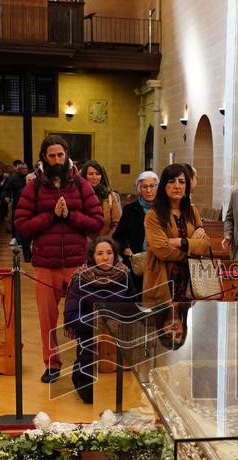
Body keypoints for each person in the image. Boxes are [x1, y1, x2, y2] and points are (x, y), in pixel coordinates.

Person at [14, 135, 104, 383]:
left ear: (66, 155)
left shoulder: (81, 185)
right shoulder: (33, 188)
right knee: (47, 319)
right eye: (52, 156)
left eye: (60, 155)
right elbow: (22, 226)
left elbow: (97, 222)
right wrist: (52, 216)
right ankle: (52, 364)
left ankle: (84, 361)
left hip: (77, 263)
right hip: (46, 264)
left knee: (83, 314)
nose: (57, 160)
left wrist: (70, 215)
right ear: (44, 157)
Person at [62, 236, 135, 404]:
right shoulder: (81, 278)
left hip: (118, 341)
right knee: (90, 396)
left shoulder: (124, 275)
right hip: (90, 340)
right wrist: (99, 323)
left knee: (123, 395)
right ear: (92, 256)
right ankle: (80, 370)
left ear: (115, 255)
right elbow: (71, 315)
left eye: (109, 253)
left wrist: (121, 320)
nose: (105, 257)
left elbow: (133, 307)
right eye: (100, 253)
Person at [142, 163, 211, 305]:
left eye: (182, 182)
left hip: (190, 279)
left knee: (188, 317)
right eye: (172, 181)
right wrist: (191, 247)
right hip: (164, 278)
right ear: (164, 185)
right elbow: (162, 250)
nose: (177, 186)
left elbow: (205, 244)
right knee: (163, 318)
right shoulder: (153, 215)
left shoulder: (192, 211)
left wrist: (181, 242)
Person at [113, 170, 158, 289]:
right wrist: (124, 248)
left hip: (158, 262)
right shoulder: (130, 210)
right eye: (144, 187)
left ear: (158, 188)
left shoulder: (163, 210)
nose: (149, 190)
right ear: (139, 189)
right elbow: (118, 236)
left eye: (152, 186)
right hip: (136, 263)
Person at [81, 160, 122, 237]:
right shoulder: (78, 195)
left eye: (97, 174)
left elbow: (117, 224)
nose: (94, 177)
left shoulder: (110, 196)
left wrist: (106, 240)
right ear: (84, 176)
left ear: (102, 176)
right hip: (83, 242)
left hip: (106, 241)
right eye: (90, 174)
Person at [1, 161, 30, 259]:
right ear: (19, 169)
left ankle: (25, 241)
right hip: (18, 204)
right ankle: (16, 238)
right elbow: (6, 189)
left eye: (26, 169)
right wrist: (6, 196)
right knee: (17, 222)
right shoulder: (13, 178)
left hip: (29, 204)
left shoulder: (30, 177)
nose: (25, 170)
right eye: (23, 169)